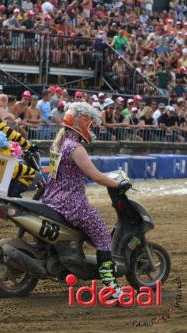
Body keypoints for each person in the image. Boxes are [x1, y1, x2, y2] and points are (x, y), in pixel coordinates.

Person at [42, 102, 131, 299]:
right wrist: (118, 185)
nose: (92, 129)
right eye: (90, 125)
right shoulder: (76, 148)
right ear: (81, 122)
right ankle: (110, 288)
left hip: (53, 199)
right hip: (72, 204)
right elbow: (97, 177)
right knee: (103, 238)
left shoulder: (59, 143)